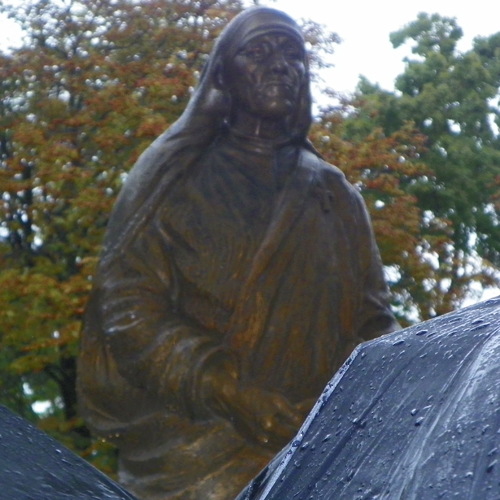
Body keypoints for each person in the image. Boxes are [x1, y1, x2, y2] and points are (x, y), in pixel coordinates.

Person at [77, 6, 399, 500]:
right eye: (259, 51)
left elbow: (376, 327)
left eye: (293, 54)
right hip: (196, 462)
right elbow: (126, 308)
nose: (279, 65)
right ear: (222, 75)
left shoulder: (335, 195)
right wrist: (224, 389)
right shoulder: (171, 176)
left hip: (318, 456)